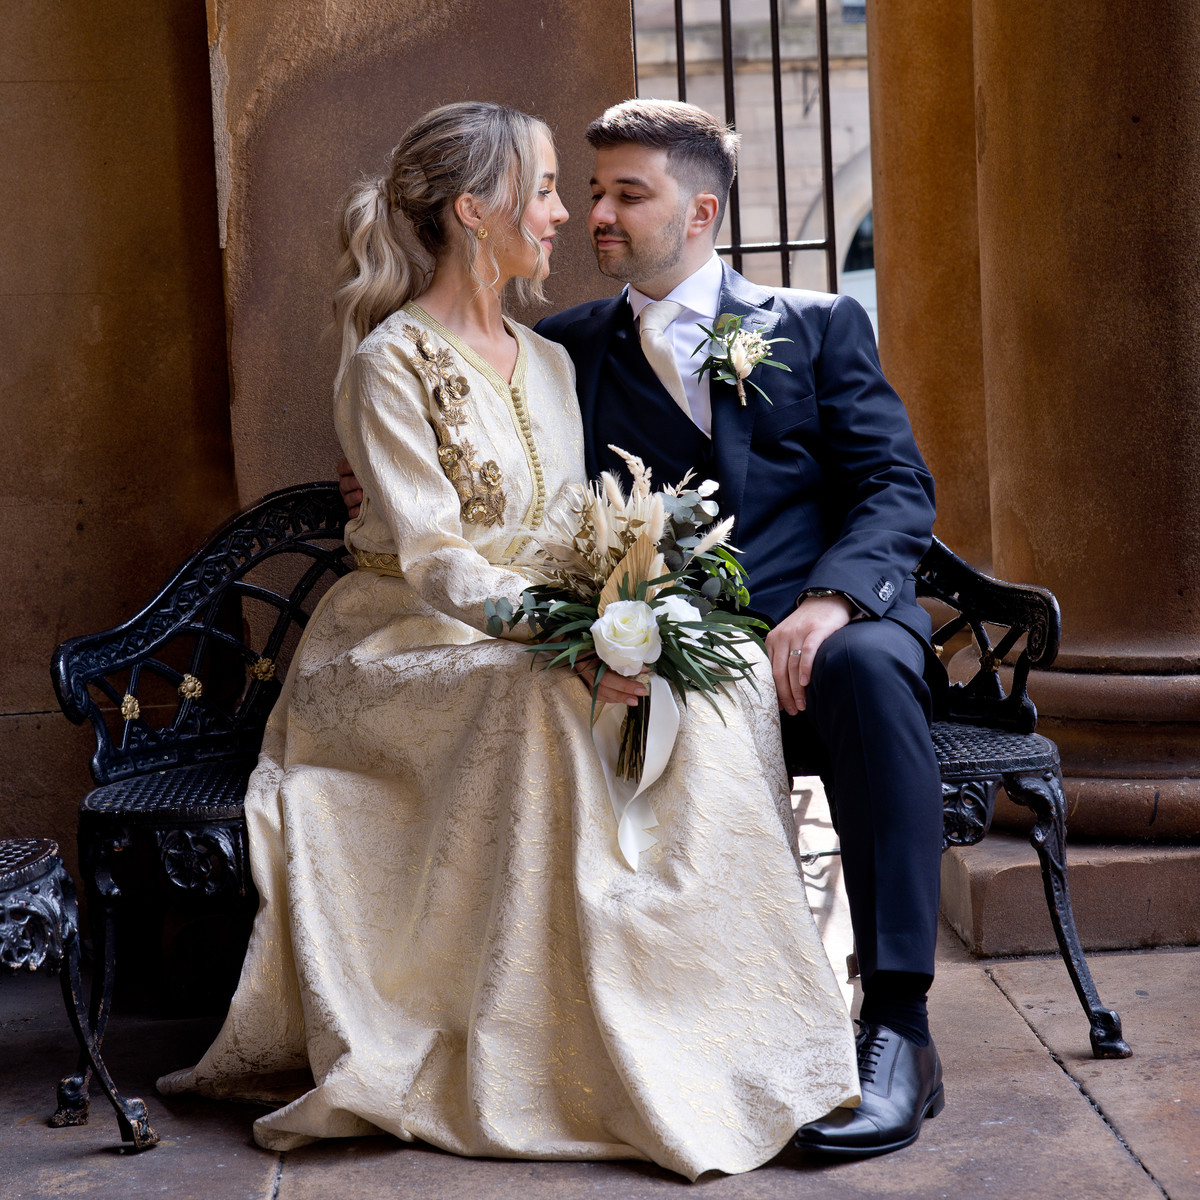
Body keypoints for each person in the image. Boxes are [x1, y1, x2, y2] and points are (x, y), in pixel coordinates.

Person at [159, 101, 860, 1180]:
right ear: (472, 211)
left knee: (715, 687)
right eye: (542, 190)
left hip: (539, 627)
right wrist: (569, 635)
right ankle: (569, 1040)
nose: (564, 215)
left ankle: (719, 1022)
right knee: (551, 693)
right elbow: (436, 559)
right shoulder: (389, 362)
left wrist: (632, 619)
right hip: (400, 642)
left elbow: (580, 520)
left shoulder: (549, 358)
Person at [343, 97, 946, 1159]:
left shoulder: (815, 326)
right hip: (666, 649)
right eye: (588, 193)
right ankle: (704, 1030)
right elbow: (487, 468)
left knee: (865, 672)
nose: (598, 215)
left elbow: (896, 485)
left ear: (702, 210)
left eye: (629, 193)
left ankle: (899, 1023)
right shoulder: (564, 350)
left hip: (825, 626)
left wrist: (831, 599)